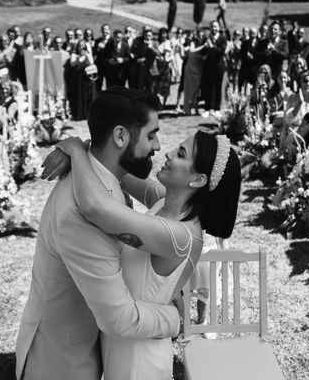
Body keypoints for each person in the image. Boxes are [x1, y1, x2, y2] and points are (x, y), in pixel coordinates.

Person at [15, 88, 182, 380]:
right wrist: (176, 319)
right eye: (151, 134)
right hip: (63, 361)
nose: (158, 146)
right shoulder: (81, 213)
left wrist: (80, 149)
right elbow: (117, 317)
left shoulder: (101, 171)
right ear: (120, 136)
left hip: (90, 346)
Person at [50, 129, 240, 380]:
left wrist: (75, 151)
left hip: (140, 360)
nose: (169, 152)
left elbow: (95, 207)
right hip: (122, 340)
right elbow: (118, 167)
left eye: (181, 154)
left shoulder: (183, 236)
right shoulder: (165, 202)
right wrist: (87, 147)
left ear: (197, 180)